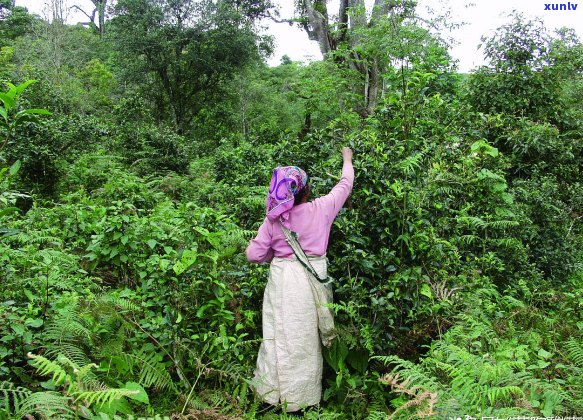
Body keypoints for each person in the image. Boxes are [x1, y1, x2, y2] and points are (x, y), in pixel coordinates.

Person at [246, 147, 354, 413]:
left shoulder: (274, 221)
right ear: (305, 190)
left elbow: (253, 254)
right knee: (306, 339)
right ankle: (302, 402)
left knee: (276, 337)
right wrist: (347, 159)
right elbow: (345, 184)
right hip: (311, 283)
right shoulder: (322, 209)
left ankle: (270, 398)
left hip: (283, 282)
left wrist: (274, 254)